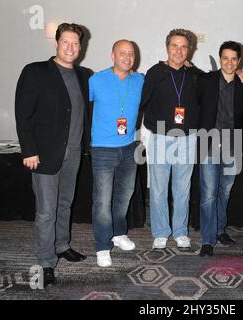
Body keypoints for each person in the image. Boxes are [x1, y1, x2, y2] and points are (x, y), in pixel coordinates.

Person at [141, 29, 243, 250]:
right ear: (167, 47)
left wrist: (239, 70)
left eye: (184, 46)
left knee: (182, 188)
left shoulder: (195, 75)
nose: (179, 51)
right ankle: (161, 232)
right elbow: (143, 103)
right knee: (160, 188)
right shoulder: (154, 72)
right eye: (175, 45)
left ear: (189, 50)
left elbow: (220, 76)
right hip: (161, 135)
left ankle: (180, 231)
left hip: (189, 137)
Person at [15, 23, 91, 287]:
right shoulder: (36, 71)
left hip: (74, 152)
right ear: (57, 43)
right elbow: (23, 113)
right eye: (65, 42)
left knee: (65, 204)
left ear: (81, 47)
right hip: (44, 154)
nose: (70, 47)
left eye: (75, 43)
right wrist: (29, 150)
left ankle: (62, 245)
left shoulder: (84, 75)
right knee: (46, 210)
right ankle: (46, 262)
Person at [197, 41, 243, 256]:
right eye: (225, 58)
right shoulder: (206, 80)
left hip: (233, 143)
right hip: (208, 142)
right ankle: (207, 240)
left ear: (239, 61)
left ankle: (220, 230)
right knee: (208, 195)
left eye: (234, 59)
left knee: (225, 191)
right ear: (219, 59)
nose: (229, 62)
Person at [89, 40, 144, 267]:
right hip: (102, 148)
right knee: (102, 201)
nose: (127, 57)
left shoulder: (140, 80)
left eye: (131, 54)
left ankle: (118, 233)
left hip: (130, 146)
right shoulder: (96, 80)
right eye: (122, 53)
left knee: (124, 196)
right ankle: (103, 245)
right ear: (112, 55)